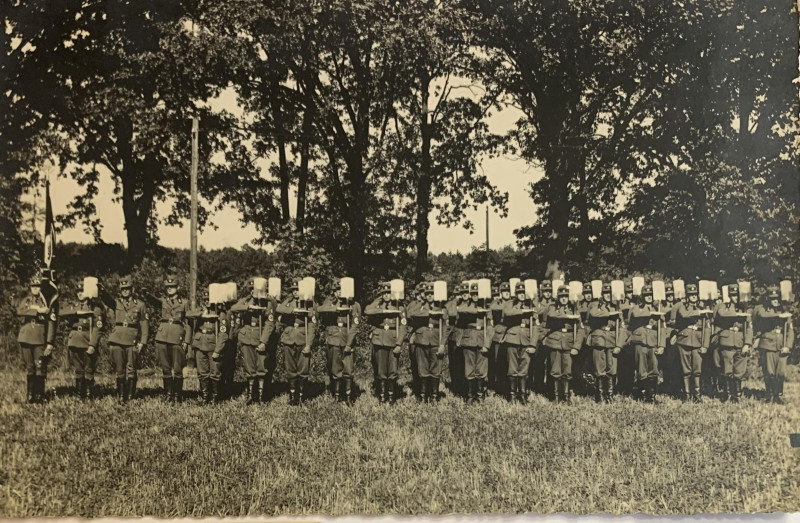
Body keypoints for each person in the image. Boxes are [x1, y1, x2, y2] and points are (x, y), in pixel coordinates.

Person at [230, 278, 278, 404]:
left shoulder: (267, 303)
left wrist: (263, 342)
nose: (253, 292)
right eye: (251, 289)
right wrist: (248, 307)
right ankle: (251, 394)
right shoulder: (246, 301)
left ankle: (261, 395)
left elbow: (270, 323)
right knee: (249, 367)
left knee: (261, 367)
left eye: (255, 289)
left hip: (260, 337)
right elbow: (234, 308)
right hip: (247, 338)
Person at [16, 274, 57, 403]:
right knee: (30, 367)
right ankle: (30, 396)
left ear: (40, 288)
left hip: (39, 338)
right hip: (26, 336)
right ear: (30, 287)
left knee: (40, 366)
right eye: (33, 286)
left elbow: (51, 322)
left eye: (38, 286)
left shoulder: (46, 301)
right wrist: (37, 310)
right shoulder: (27, 300)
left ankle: (39, 396)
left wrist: (50, 342)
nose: (35, 289)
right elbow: (19, 311)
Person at [107, 276, 149, 403]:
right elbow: (109, 313)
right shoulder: (116, 303)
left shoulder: (140, 305)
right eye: (123, 289)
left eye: (127, 288)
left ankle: (130, 396)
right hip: (117, 338)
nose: (125, 291)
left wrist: (143, 342)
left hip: (132, 339)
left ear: (132, 289)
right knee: (120, 368)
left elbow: (144, 324)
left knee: (131, 368)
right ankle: (121, 395)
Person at [318, 283, 361, 404]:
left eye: (342, 290)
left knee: (348, 369)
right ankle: (336, 395)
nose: (340, 292)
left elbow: (355, 325)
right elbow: (320, 309)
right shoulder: (330, 302)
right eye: (337, 290)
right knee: (335, 368)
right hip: (334, 339)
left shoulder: (354, 305)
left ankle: (348, 396)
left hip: (347, 339)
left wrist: (349, 343)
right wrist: (335, 308)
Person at [276, 280, 318, 405]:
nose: (295, 292)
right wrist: (293, 310)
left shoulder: (309, 304)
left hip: (302, 339)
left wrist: (309, 344)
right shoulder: (288, 302)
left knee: (303, 368)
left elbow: (312, 326)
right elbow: (279, 308)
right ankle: (292, 395)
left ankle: (301, 395)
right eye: (293, 290)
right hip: (289, 339)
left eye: (298, 289)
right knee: (290, 368)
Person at [365, 281, 406, 403]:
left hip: (393, 340)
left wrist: (399, 343)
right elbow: (367, 310)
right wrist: (379, 302)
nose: (386, 295)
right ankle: (382, 396)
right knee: (381, 370)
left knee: (392, 370)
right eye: (384, 293)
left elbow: (403, 327)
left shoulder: (399, 307)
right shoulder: (377, 306)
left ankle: (391, 395)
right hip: (379, 340)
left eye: (389, 293)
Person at [60, 284, 104, 399]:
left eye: (82, 291)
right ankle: (80, 395)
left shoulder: (95, 308)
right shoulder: (74, 306)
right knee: (78, 370)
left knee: (88, 369)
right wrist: (76, 312)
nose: (79, 293)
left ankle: (89, 395)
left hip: (87, 341)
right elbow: (61, 313)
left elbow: (97, 328)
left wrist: (93, 344)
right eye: (78, 291)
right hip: (74, 341)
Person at [541, 285, 583, 403]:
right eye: (561, 296)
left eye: (566, 296)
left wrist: (577, 346)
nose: (564, 298)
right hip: (555, 341)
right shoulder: (552, 307)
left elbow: (580, 329)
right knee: (555, 370)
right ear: (558, 297)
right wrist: (568, 316)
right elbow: (551, 316)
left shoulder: (574, 309)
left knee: (567, 370)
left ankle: (566, 395)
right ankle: (556, 396)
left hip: (569, 343)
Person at [154, 274, 191, 402]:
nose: (170, 289)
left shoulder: (184, 303)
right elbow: (152, 301)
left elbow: (189, 323)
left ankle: (177, 395)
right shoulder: (163, 301)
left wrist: (187, 340)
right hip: (162, 336)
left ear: (178, 287)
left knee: (177, 368)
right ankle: (168, 394)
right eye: (168, 287)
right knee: (165, 367)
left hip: (177, 337)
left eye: (173, 287)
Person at [753, 286, 793, 404]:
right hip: (768, 345)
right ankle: (769, 394)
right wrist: (778, 316)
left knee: (780, 373)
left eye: (777, 298)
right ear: (768, 299)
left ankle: (778, 394)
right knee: (769, 372)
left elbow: (790, 331)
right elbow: (761, 315)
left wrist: (788, 346)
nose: (775, 301)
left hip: (781, 345)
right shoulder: (764, 310)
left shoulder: (784, 311)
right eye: (772, 298)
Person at [407, 283, 447, 402]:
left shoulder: (442, 308)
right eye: (428, 294)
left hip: (435, 340)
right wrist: (428, 312)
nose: (430, 296)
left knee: (435, 369)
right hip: (421, 340)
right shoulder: (419, 306)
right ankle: (423, 395)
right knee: (423, 369)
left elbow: (445, 328)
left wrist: (442, 344)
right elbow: (410, 314)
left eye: (432, 294)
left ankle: (434, 395)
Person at [713, 284, 753, 403]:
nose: (736, 298)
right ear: (729, 296)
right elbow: (719, 316)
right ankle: (727, 393)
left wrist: (747, 343)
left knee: (739, 370)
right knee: (727, 369)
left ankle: (737, 395)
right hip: (727, 341)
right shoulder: (722, 306)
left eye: (737, 295)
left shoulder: (745, 308)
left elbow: (749, 328)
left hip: (740, 342)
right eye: (733, 295)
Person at [627, 284, 666, 403]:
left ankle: (652, 394)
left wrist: (662, 345)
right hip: (640, 341)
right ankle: (643, 393)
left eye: (651, 295)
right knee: (641, 369)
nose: (649, 297)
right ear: (642, 297)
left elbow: (662, 328)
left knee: (654, 368)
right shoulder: (637, 308)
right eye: (646, 295)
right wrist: (649, 311)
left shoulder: (658, 308)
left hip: (653, 341)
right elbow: (633, 317)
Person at [586, 283, 624, 403]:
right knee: (599, 369)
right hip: (599, 339)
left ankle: (609, 394)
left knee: (611, 369)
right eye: (605, 293)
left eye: (610, 293)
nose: (608, 296)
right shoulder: (596, 306)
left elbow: (622, 328)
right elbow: (593, 314)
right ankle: (600, 394)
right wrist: (609, 313)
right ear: (601, 295)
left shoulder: (617, 307)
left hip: (612, 340)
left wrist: (619, 344)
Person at [188, 291, 228, 404]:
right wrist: (202, 313)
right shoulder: (200, 312)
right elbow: (188, 314)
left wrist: (218, 350)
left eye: (208, 300)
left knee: (215, 373)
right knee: (202, 372)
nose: (206, 302)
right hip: (200, 345)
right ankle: (205, 396)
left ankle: (215, 397)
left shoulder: (220, 314)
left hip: (213, 346)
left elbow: (223, 334)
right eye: (205, 299)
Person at [674, 284, 712, 402]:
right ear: (687, 296)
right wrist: (699, 312)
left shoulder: (702, 307)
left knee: (697, 369)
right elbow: (684, 315)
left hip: (698, 340)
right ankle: (687, 394)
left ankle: (697, 394)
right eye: (691, 295)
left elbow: (707, 328)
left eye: (695, 294)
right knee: (686, 370)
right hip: (684, 340)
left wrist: (705, 345)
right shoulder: (682, 306)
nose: (694, 297)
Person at [501, 282, 537, 403]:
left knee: (524, 369)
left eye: (523, 292)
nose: (521, 295)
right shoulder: (510, 304)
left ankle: (522, 394)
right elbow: (507, 313)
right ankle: (512, 394)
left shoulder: (531, 305)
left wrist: (532, 344)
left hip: (526, 340)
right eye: (519, 293)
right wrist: (523, 312)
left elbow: (535, 327)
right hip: (512, 339)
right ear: (515, 294)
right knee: (512, 368)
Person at [456, 283, 490, 403]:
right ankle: (470, 395)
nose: (475, 296)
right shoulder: (465, 305)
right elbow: (461, 311)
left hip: (482, 340)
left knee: (481, 370)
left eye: (477, 294)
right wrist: (477, 310)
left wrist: (487, 344)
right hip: (469, 339)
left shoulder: (487, 307)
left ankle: (480, 395)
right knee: (469, 369)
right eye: (473, 294)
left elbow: (490, 327)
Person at [530, 280, 554, 396]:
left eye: (550, 291)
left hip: (551, 332)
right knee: (539, 362)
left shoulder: (554, 303)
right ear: (542, 292)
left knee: (550, 361)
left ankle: (550, 386)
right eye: (545, 291)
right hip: (540, 332)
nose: (548, 293)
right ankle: (538, 386)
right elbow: (535, 314)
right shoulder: (537, 303)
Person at [489, 282, 512, 396]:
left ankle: (509, 388)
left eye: (508, 291)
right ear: (500, 293)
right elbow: (491, 308)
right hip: (498, 335)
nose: (506, 293)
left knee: (510, 363)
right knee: (498, 362)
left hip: (511, 334)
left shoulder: (513, 303)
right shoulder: (497, 303)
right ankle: (499, 388)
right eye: (504, 291)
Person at [446, 283, 468, 398]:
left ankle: (464, 387)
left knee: (464, 364)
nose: (460, 297)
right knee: (454, 363)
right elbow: (450, 314)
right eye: (458, 294)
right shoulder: (450, 305)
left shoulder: (468, 305)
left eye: (462, 294)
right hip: (453, 337)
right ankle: (455, 386)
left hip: (465, 337)